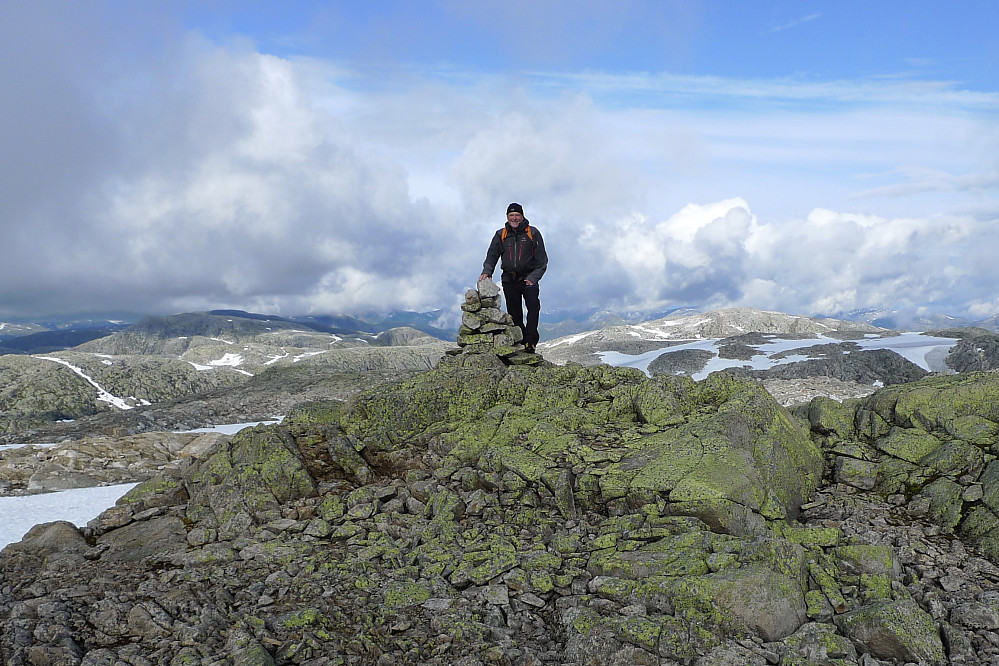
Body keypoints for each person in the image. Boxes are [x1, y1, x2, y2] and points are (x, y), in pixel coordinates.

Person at [480, 202, 548, 352]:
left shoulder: (533, 233)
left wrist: (534, 277)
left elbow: (542, 260)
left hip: (528, 278)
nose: (514, 218)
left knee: (533, 307)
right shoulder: (501, 235)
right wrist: (487, 271)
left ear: (522, 216)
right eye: (511, 215)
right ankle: (521, 341)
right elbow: (492, 255)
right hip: (509, 279)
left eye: (517, 215)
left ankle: (531, 341)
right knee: (515, 313)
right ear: (507, 217)